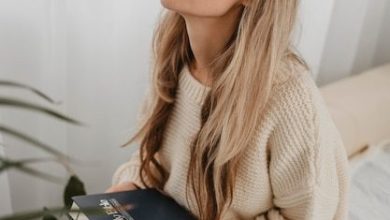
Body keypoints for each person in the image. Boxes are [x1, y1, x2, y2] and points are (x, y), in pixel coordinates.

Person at [105, 0, 350, 219]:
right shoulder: (174, 61)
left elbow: (311, 214)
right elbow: (155, 159)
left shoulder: (291, 100)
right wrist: (132, 184)